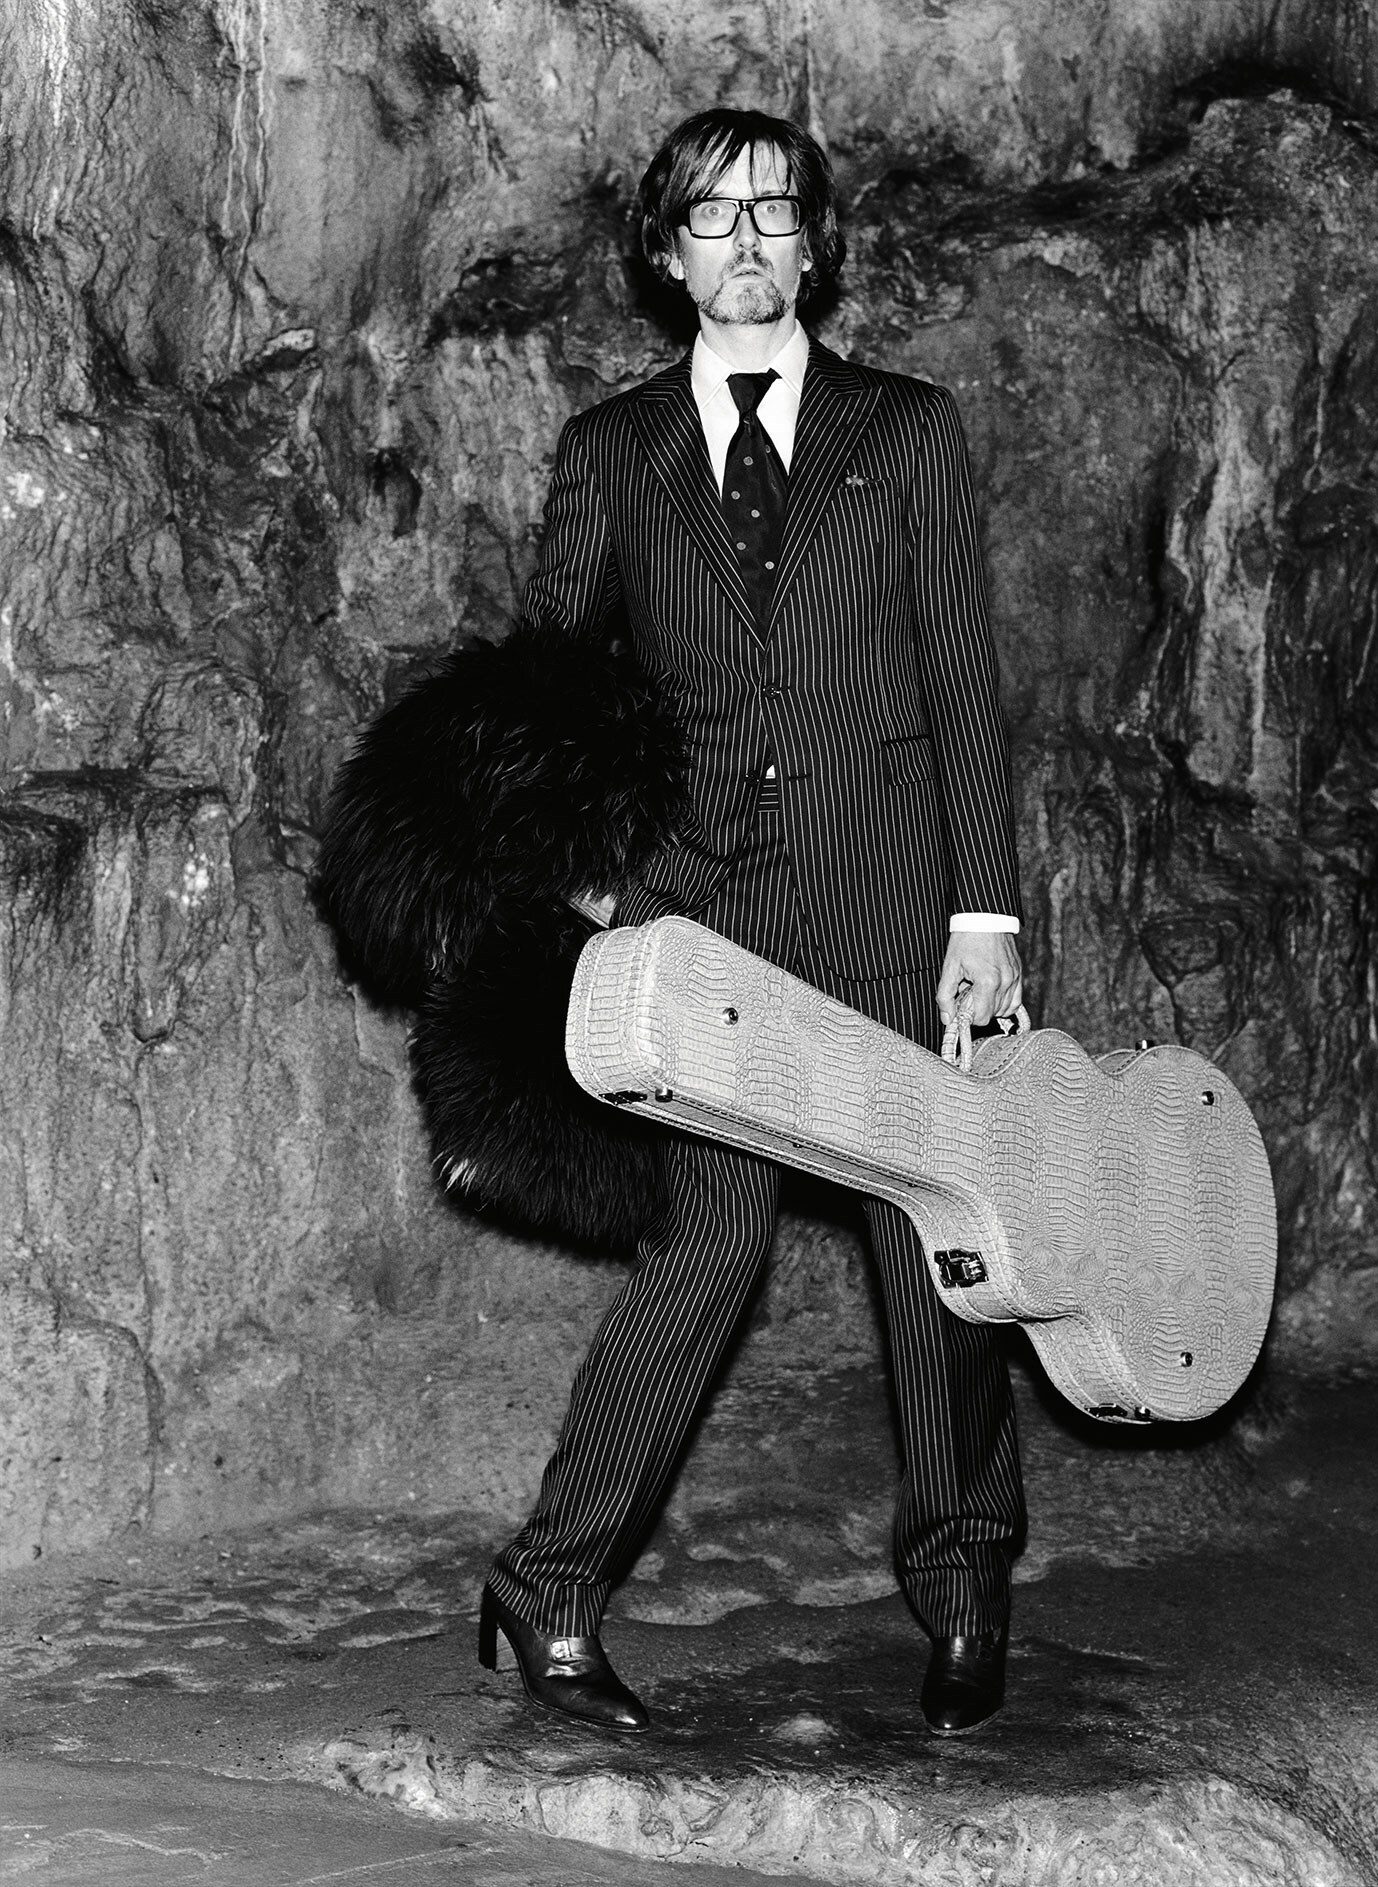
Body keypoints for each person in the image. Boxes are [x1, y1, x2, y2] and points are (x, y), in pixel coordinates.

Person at [479, 107, 1027, 1738]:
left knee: (934, 1241)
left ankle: (964, 1580)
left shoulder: (906, 431)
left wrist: (984, 916)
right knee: (708, 1246)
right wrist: (589, 883)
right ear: (668, 255)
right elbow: (554, 690)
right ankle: (549, 1589)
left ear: (813, 244)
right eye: (712, 218)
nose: (746, 243)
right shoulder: (613, 451)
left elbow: (963, 681)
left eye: (774, 213)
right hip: (700, 920)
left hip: (887, 898)